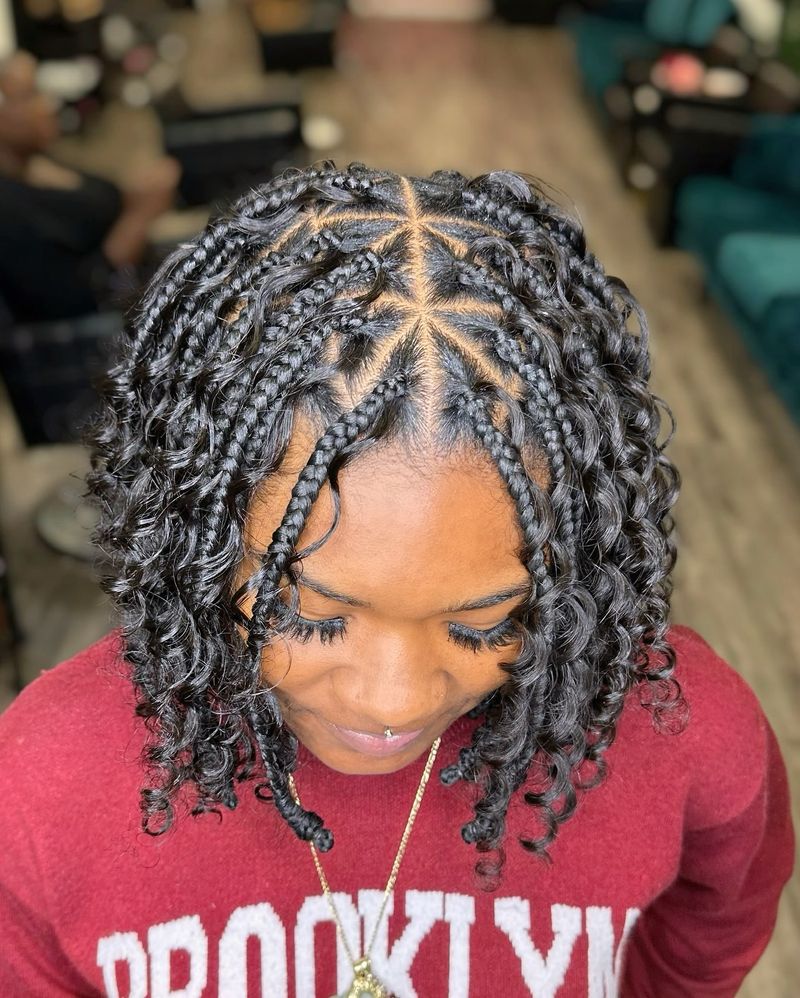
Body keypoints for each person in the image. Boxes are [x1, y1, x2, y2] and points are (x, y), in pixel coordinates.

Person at [0, 162, 793, 997]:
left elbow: (719, 919)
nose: (395, 701)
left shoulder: (687, 737)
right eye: (310, 615)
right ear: (197, 540)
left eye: (485, 623)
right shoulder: (45, 785)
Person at [0, 50, 180, 322]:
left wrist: (137, 195)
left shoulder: (42, 162)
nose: (48, 103)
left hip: (151, 291)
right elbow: (74, 302)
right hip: (113, 334)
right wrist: (138, 219)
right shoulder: (8, 206)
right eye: (30, 95)